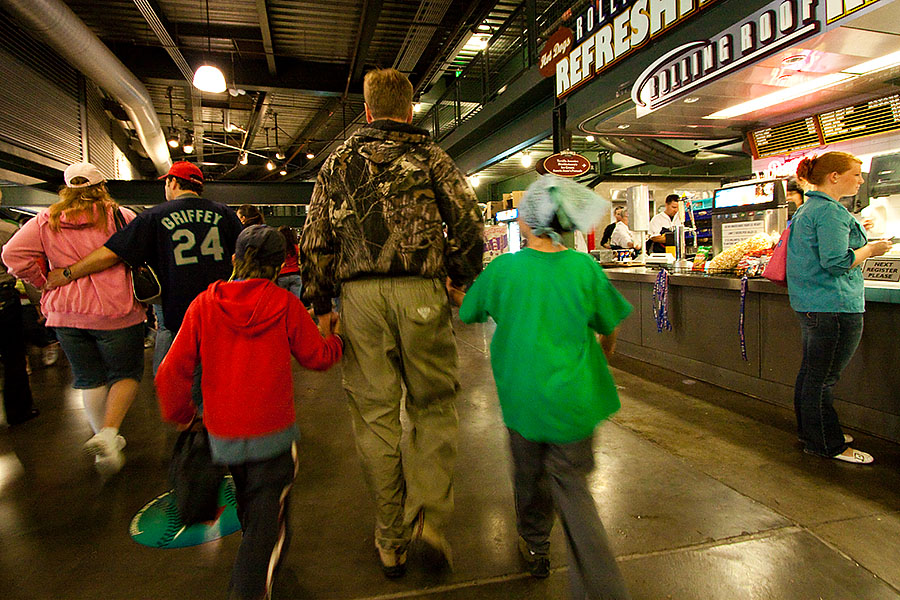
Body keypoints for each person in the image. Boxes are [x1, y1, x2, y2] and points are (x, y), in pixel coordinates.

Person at [300, 68, 483, 577]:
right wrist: (457, 273)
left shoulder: (337, 163)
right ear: (409, 111)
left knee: (375, 416)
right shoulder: (429, 155)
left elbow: (313, 237)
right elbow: (468, 218)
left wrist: (321, 304)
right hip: (422, 292)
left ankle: (391, 539)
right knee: (433, 404)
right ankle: (426, 517)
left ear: (366, 110)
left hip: (359, 300)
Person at [459, 174, 632, 599]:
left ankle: (537, 547)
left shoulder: (504, 270)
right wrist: (602, 355)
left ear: (528, 223)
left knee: (528, 477)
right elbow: (609, 329)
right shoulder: (584, 267)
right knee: (572, 488)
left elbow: (468, 311)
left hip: (523, 401)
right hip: (575, 402)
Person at [155, 225, 343, 600]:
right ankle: (252, 586)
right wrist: (335, 338)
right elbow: (317, 358)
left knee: (248, 501)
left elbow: (170, 372)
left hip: (222, 437)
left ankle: (255, 563)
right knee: (267, 527)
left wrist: (186, 415)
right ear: (280, 266)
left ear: (235, 260)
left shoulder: (203, 305)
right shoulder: (285, 304)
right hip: (273, 436)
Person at [3, 163, 146, 474]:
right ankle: (109, 434)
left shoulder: (46, 220)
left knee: (89, 378)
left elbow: (12, 255)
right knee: (125, 373)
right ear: (101, 186)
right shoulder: (120, 217)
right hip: (115, 309)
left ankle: (103, 442)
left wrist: (42, 280)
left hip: (65, 311)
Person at [46, 161, 243, 375]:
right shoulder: (225, 213)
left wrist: (68, 273)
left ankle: (193, 404)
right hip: (221, 303)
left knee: (192, 369)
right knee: (220, 367)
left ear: (173, 182)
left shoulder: (153, 216)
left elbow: (112, 253)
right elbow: (245, 253)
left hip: (179, 308)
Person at [788, 152, 892, 464]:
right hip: (834, 304)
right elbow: (836, 262)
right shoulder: (830, 212)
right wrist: (871, 249)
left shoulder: (810, 209)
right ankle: (827, 444)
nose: (861, 181)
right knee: (823, 377)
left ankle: (813, 430)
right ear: (834, 176)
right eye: (856, 174)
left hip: (812, 304)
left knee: (812, 373)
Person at [1, 207, 39, 426]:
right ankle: (19, 411)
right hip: (3, 300)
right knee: (13, 357)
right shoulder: (6, 231)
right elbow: (23, 268)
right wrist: (38, 302)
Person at [275, 226, 302, 300]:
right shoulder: (296, 247)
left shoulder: (279, 248)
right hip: (295, 275)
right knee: (295, 301)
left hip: (282, 276)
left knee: (283, 300)